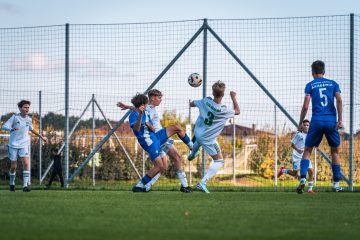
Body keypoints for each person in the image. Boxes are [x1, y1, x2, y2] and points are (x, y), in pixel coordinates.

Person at [117, 89, 193, 193]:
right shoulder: (144, 110)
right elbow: (137, 122)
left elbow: (138, 109)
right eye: (159, 97)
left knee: (164, 166)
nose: (161, 100)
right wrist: (142, 118)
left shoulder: (146, 109)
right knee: (165, 163)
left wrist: (128, 107)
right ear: (152, 97)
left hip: (156, 138)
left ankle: (146, 185)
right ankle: (193, 147)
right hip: (152, 140)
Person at [296, 60, 344, 194]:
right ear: (324, 71)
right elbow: (339, 100)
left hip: (316, 121)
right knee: (335, 151)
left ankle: (303, 178)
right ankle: (335, 184)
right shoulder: (333, 84)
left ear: (312, 73)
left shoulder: (310, 85)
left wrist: (300, 122)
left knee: (307, 150)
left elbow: (306, 105)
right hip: (331, 121)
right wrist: (340, 120)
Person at [188, 81, 240, 193]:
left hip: (197, 132)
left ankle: (192, 154)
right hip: (208, 139)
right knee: (219, 161)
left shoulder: (205, 101)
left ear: (212, 92)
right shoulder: (224, 109)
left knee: (199, 140)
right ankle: (202, 183)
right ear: (223, 94)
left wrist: (194, 102)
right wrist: (233, 97)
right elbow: (237, 111)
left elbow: (191, 104)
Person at [2, 100, 47, 192]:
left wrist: (42, 137)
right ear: (20, 108)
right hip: (13, 145)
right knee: (14, 167)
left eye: (28, 107)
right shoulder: (14, 117)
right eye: (25, 107)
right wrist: (11, 128)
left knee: (26, 164)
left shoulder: (29, 119)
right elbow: (4, 126)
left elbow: (31, 129)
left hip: (24, 144)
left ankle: (25, 186)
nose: (27, 109)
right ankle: (12, 184)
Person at [278, 119, 314, 193]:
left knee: (311, 171)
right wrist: (298, 150)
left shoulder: (310, 135)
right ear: (302, 126)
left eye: (308, 125)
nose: (306, 126)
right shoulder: (298, 134)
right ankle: (283, 170)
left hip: (306, 156)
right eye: (305, 125)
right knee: (295, 173)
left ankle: (310, 189)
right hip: (297, 157)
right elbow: (292, 145)